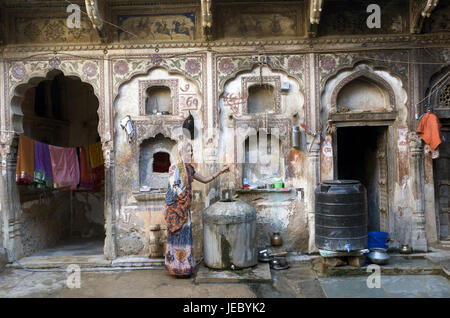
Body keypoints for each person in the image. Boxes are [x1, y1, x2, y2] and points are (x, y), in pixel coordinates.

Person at [164, 140, 229, 277]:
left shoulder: (189, 169)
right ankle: (176, 268)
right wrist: (183, 199)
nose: (191, 153)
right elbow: (174, 187)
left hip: (185, 209)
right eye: (189, 151)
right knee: (177, 237)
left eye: (192, 151)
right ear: (182, 152)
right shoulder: (174, 168)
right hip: (176, 210)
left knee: (186, 236)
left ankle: (185, 267)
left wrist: (220, 172)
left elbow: (205, 179)